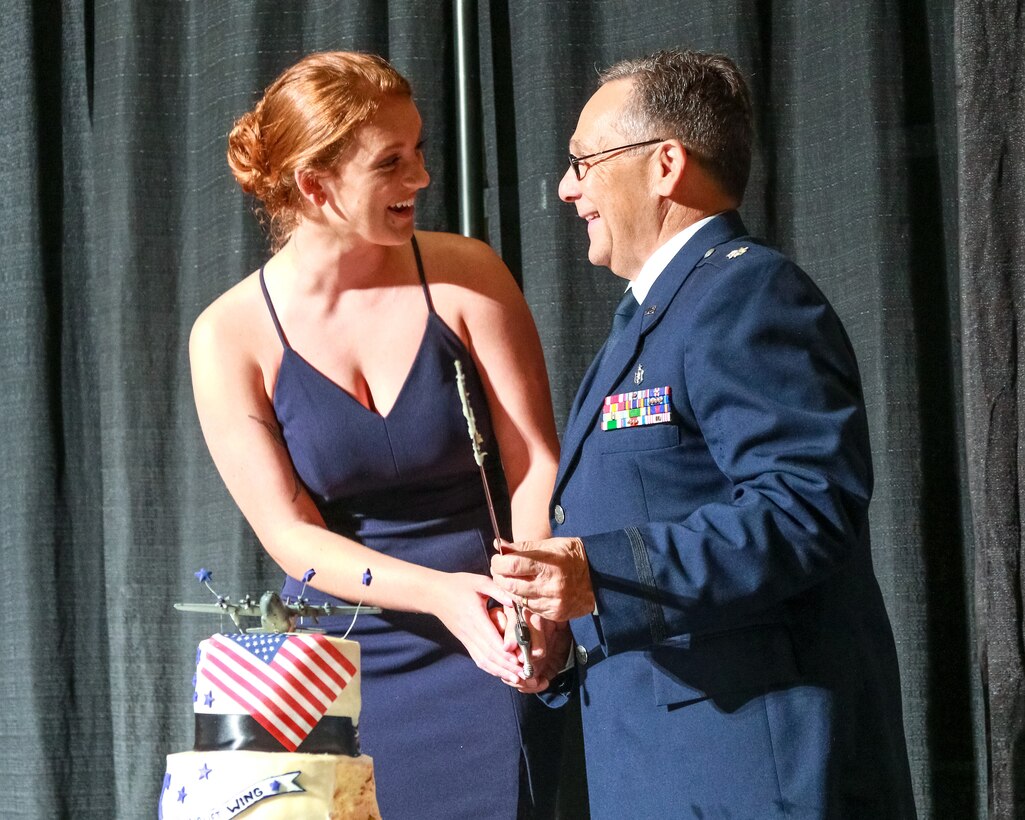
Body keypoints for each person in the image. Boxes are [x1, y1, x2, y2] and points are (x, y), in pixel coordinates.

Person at [491, 49, 916, 818]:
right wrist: (565, 630)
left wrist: (602, 575)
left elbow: (804, 509)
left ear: (664, 165)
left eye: (583, 161)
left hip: (751, 772)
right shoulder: (652, 318)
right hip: (658, 770)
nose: (566, 187)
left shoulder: (747, 294)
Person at [189, 51, 567, 819]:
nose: (422, 178)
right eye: (392, 163)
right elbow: (290, 536)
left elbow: (534, 461)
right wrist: (439, 596)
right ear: (314, 186)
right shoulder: (228, 334)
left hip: (494, 639)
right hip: (341, 663)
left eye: (420, 149)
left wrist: (537, 608)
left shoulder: (468, 275)